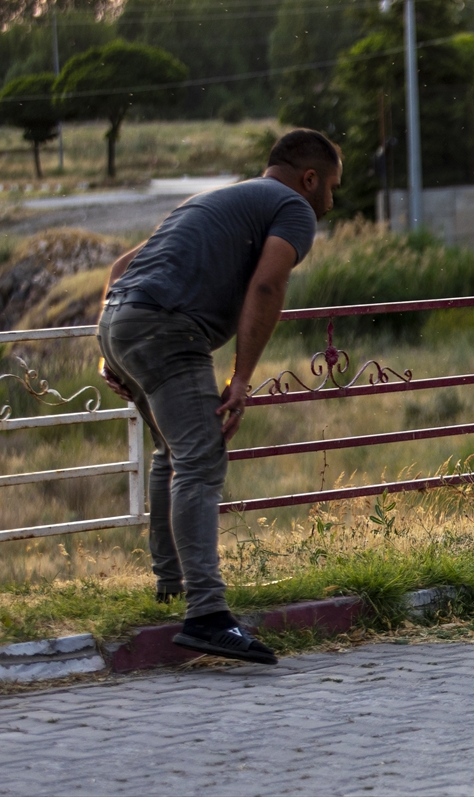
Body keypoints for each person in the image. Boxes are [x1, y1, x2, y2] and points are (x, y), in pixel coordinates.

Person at [96, 129, 341, 665]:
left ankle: (171, 583)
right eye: (332, 187)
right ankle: (206, 615)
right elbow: (267, 288)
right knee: (202, 463)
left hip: (120, 320)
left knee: (171, 452)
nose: (331, 200)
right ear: (310, 178)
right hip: (168, 331)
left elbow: (119, 271)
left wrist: (112, 352)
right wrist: (241, 378)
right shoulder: (293, 210)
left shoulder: (216, 198)